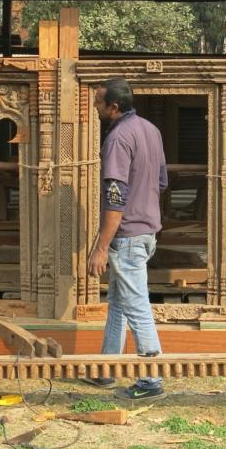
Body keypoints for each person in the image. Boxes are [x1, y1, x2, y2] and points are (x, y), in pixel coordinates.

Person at [86, 78, 168, 402]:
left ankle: (151, 379)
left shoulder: (118, 138)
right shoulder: (151, 130)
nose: (95, 107)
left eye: (98, 102)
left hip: (128, 236)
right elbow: (161, 182)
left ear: (114, 107)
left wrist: (100, 248)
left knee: (136, 306)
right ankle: (106, 369)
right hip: (146, 232)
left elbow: (115, 197)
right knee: (119, 303)